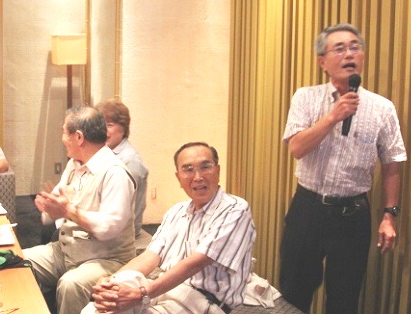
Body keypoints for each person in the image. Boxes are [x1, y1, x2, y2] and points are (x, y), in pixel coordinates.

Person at [279, 23, 407, 314]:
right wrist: (332, 117)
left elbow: (392, 164)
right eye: (339, 49)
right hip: (308, 209)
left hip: (353, 215)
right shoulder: (305, 97)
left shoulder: (382, 108)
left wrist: (389, 215)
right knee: (294, 291)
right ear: (322, 62)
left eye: (354, 47)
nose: (349, 54)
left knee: (345, 299)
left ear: (362, 57)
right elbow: (296, 148)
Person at [83, 142, 256, 314]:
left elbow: (195, 264)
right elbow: (150, 257)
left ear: (217, 171)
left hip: (203, 302)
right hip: (166, 291)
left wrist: (141, 294)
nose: (197, 177)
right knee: (100, 306)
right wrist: (111, 282)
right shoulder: (176, 211)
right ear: (179, 178)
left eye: (205, 167)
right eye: (188, 169)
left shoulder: (235, 209)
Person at [23, 106, 137, 314]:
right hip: (68, 250)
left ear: (78, 137)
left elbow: (108, 228)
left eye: (64, 132)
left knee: (71, 285)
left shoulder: (115, 173)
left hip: (108, 258)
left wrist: (68, 211)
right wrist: (48, 208)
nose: (62, 138)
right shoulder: (74, 165)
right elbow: (56, 206)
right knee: (20, 261)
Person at [96, 99, 149, 241]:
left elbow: (126, 210)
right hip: (105, 225)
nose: (103, 130)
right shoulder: (104, 153)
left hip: (122, 235)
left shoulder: (130, 161)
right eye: (100, 125)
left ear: (124, 129)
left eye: (109, 125)